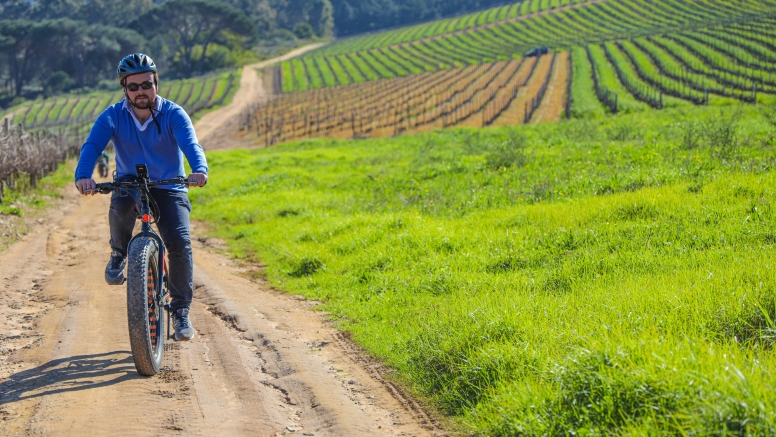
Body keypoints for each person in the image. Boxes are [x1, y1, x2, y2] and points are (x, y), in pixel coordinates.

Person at [74, 53, 208, 341]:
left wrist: (199, 170)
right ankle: (119, 253)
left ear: (155, 83)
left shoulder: (173, 113)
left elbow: (191, 144)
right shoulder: (112, 116)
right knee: (121, 202)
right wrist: (83, 175)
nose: (140, 92)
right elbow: (92, 146)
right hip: (129, 183)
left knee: (180, 244)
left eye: (146, 85)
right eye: (133, 87)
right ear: (125, 89)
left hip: (170, 186)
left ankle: (181, 310)